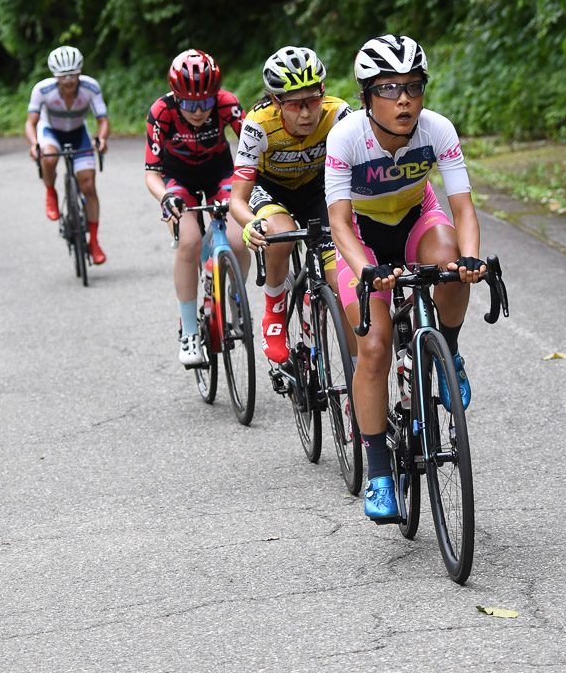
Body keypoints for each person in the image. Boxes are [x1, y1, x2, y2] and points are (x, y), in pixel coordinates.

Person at [324, 34, 486, 520]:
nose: (404, 100)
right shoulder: (347, 136)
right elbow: (337, 223)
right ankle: (377, 471)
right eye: (390, 88)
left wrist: (473, 259)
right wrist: (367, 272)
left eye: (413, 87)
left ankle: (448, 352)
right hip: (360, 238)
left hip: (417, 219)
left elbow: (463, 208)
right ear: (366, 95)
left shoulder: (437, 129)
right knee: (372, 346)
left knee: (452, 264)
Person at [231, 46, 352, 365]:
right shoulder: (257, 124)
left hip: (317, 190)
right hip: (271, 190)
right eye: (295, 105)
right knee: (279, 235)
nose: (306, 113)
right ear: (275, 101)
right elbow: (237, 199)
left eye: (313, 100)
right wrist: (249, 224)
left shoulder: (338, 114)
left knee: (337, 278)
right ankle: (274, 309)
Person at [145, 49, 249, 365]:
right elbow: (151, 173)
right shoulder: (161, 111)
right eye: (189, 104)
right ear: (176, 97)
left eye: (205, 102)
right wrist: (166, 197)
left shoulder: (227, 103)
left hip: (220, 172)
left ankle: (235, 299)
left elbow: (251, 147)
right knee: (189, 242)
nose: (199, 111)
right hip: (177, 179)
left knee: (237, 237)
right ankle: (190, 331)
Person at [26, 45, 110, 264]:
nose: (69, 80)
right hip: (51, 131)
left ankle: (94, 241)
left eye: (73, 74)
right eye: (63, 76)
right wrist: (34, 143)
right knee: (50, 157)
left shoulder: (91, 87)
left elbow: (102, 120)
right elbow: (31, 122)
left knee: (89, 186)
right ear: (55, 75)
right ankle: (50, 191)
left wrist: (101, 138)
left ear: (80, 71)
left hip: (77, 132)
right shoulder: (43, 90)